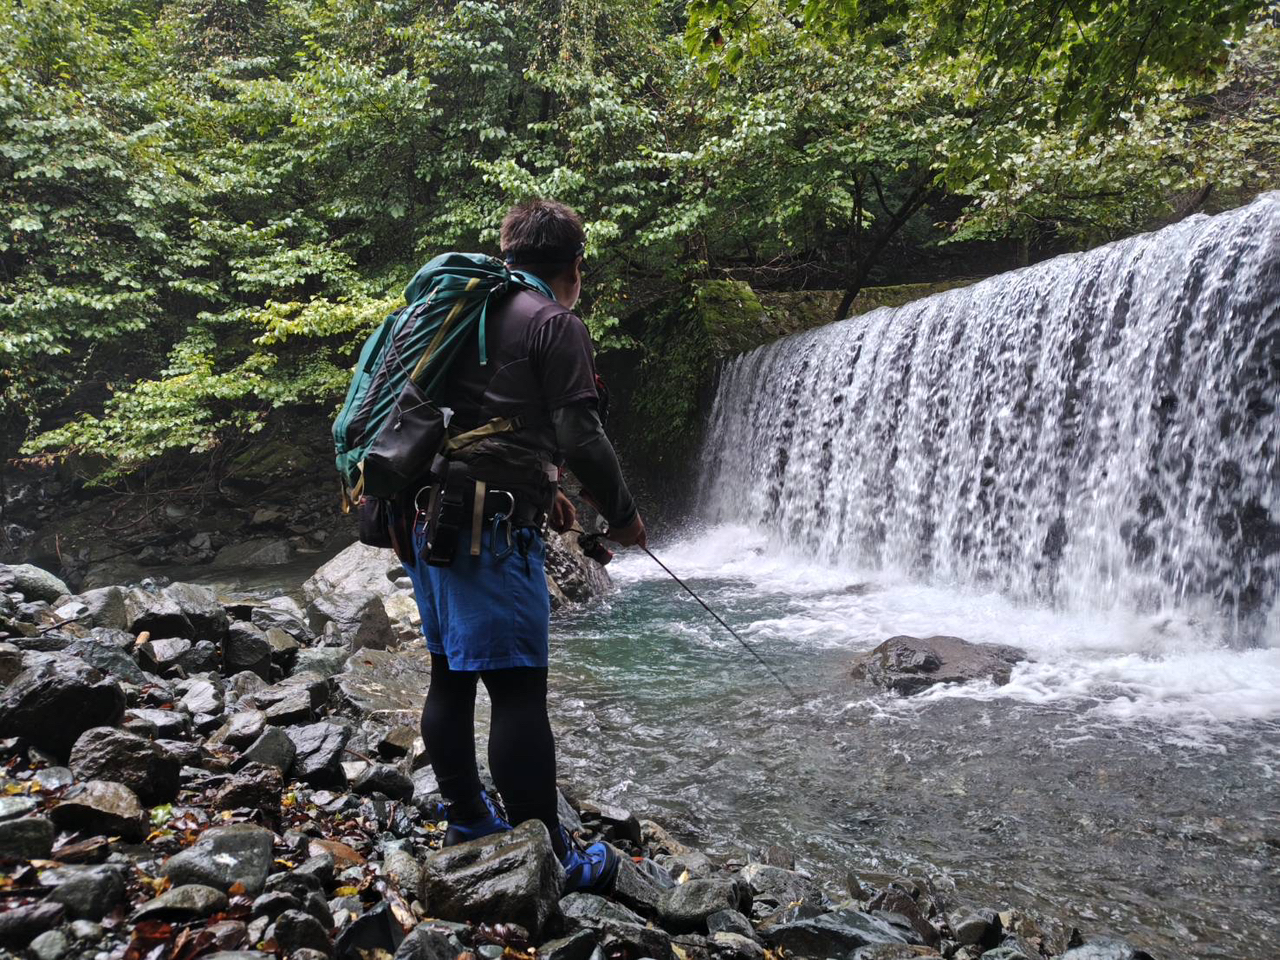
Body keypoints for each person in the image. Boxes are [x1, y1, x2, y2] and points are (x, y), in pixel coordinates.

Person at [397, 199, 646, 893]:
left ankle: (469, 818)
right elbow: (582, 437)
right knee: (517, 692)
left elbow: (481, 419)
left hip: (420, 519)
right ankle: (552, 856)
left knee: (450, 674)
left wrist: (545, 486)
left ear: (505, 254)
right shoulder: (553, 322)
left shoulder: (457, 312)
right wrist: (621, 516)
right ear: (574, 264)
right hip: (485, 529)